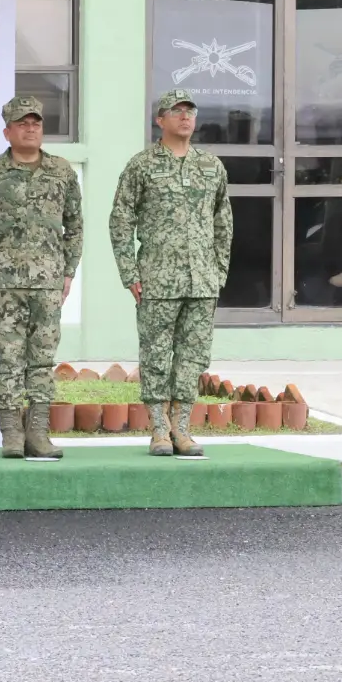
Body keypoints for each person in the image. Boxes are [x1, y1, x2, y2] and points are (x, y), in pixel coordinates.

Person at [109, 88, 233, 458]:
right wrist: (129, 272)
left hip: (202, 281)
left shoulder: (211, 166)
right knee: (156, 355)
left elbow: (223, 222)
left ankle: (182, 429)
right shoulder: (142, 165)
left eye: (189, 111)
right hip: (157, 280)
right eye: (176, 111)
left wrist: (219, 272)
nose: (184, 117)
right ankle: (159, 430)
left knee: (193, 357)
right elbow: (120, 220)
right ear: (159, 120)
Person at [0, 96, 82, 460]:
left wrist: (68, 271)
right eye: (22, 123)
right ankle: (12, 434)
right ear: (7, 132)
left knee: (42, 360)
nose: (30, 129)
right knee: (10, 360)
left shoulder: (62, 171)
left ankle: (39, 433)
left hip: (48, 283)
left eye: (36, 123)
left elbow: (75, 225)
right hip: (5, 283)